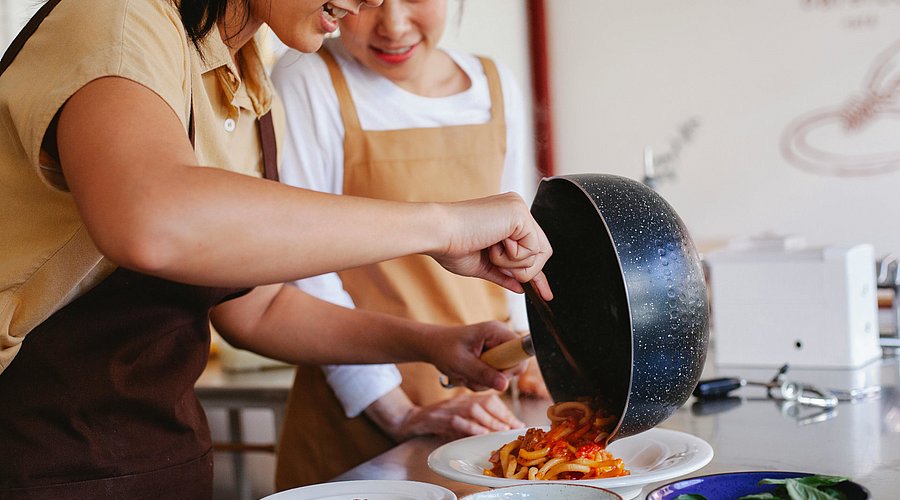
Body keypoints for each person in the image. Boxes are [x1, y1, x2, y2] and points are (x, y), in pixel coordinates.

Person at [0, 0, 553, 497]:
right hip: (29, 447)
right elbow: (152, 219)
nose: (373, 3)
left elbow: (258, 306)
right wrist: (441, 225)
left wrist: (432, 344)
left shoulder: (247, 83)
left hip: (153, 456)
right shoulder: (115, 19)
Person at [269, 0, 549, 488]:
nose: (394, 26)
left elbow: (515, 239)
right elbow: (303, 267)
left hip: (484, 399)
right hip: (358, 411)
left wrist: (531, 355)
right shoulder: (307, 77)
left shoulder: (494, 84)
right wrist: (398, 412)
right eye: (369, 1)